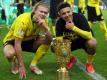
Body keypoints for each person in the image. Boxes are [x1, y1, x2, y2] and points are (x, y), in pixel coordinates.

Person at [3, 2, 52, 79]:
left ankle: (33, 65)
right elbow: (17, 43)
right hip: (13, 41)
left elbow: (50, 39)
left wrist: (46, 28)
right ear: (34, 10)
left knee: (47, 40)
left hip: (29, 40)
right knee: (9, 54)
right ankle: (14, 62)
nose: (43, 14)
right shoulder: (23, 20)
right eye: (41, 11)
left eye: (45, 13)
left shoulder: (44, 21)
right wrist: (21, 66)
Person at [55, 2, 97, 73]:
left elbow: (89, 35)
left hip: (84, 41)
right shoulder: (59, 23)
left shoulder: (80, 17)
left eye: (68, 12)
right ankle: (71, 58)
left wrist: (73, 28)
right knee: (54, 46)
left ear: (72, 10)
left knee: (92, 43)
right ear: (60, 15)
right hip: (71, 43)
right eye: (63, 13)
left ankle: (89, 64)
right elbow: (59, 39)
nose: (67, 15)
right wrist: (63, 51)